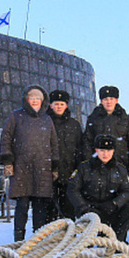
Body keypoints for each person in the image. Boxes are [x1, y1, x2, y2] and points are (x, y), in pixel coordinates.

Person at [0, 85, 59, 241]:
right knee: (22, 206)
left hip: (42, 168)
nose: (34, 101)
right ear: (26, 99)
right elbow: (6, 138)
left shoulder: (47, 119)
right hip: (21, 168)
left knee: (40, 208)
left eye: (38, 98)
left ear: (42, 100)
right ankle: (19, 239)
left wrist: (54, 167)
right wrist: (8, 162)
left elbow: (53, 144)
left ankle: (37, 239)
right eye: (32, 98)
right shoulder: (15, 116)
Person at [67, 134, 129, 242]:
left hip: (110, 208)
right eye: (102, 150)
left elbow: (127, 191)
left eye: (109, 151)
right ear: (96, 150)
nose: (105, 154)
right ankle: (89, 241)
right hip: (90, 209)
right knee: (87, 246)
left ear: (113, 151)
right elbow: (72, 189)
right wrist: (83, 207)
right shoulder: (84, 168)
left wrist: (115, 203)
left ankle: (117, 241)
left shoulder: (120, 170)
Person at [46, 89, 83, 221]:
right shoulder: (44, 122)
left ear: (66, 105)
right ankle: (50, 237)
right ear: (51, 105)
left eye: (62, 104)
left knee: (68, 207)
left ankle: (69, 235)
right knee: (48, 208)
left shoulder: (74, 125)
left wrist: (79, 169)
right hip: (49, 172)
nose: (59, 107)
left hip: (69, 172)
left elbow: (80, 148)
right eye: (56, 104)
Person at [82, 85, 129, 168]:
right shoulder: (93, 118)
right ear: (101, 101)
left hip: (121, 163)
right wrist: (88, 161)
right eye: (106, 99)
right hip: (98, 164)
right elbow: (87, 141)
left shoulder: (125, 119)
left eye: (111, 99)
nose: (109, 102)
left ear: (116, 100)